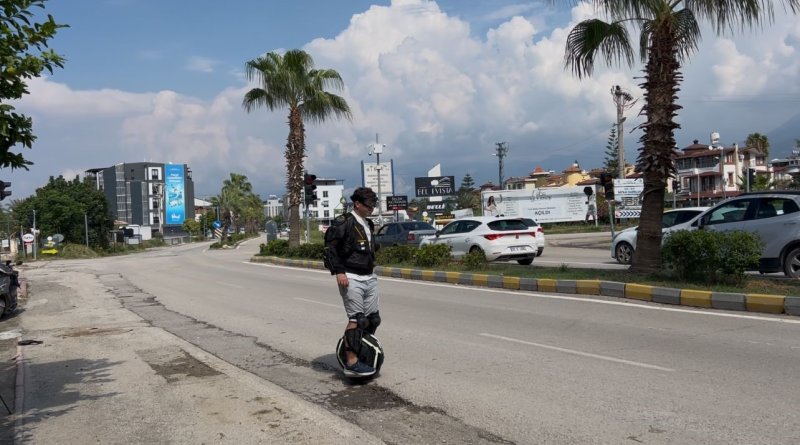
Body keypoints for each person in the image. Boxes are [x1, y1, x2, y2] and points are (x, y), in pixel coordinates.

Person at [324, 187, 381, 377]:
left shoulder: (368, 224)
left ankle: (362, 350)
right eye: (369, 205)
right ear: (357, 204)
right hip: (350, 276)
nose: (371, 209)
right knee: (357, 319)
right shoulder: (344, 222)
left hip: (368, 275)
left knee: (372, 319)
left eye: (373, 205)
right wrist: (339, 272)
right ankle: (351, 361)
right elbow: (330, 249)